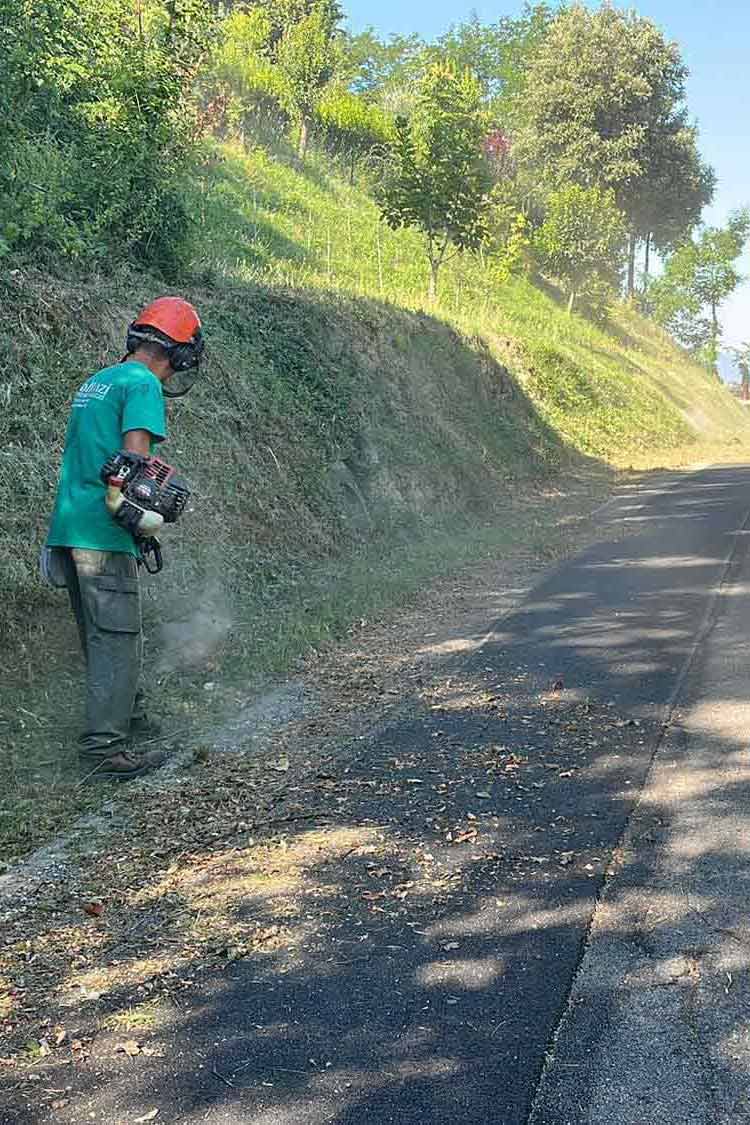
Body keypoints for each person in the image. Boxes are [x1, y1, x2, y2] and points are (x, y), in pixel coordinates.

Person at [44, 297, 204, 781]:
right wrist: (146, 517)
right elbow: (134, 468)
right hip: (100, 532)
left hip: (70, 526)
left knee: (103, 636)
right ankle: (104, 751)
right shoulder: (142, 385)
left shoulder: (98, 380)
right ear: (178, 353)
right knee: (118, 639)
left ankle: (131, 723)